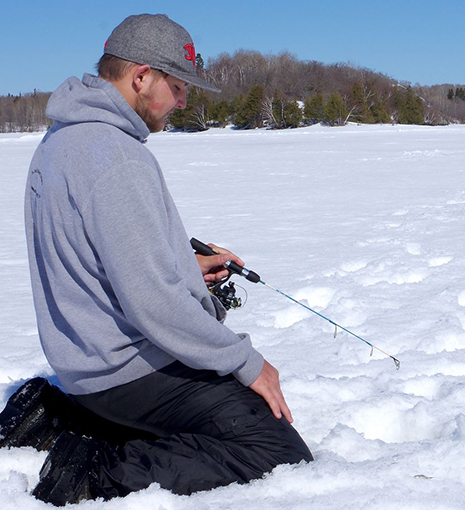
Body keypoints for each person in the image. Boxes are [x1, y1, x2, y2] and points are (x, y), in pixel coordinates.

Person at [1, 13, 312, 506]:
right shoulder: (115, 156)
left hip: (89, 367)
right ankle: (93, 474)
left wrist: (184, 270)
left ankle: (60, 417)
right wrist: (245, 361)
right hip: (126, 372)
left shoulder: (63, 140)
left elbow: (93, 264)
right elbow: (156, 306)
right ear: (141, 77)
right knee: (273, 448)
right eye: (177, 85)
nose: (184, 100)